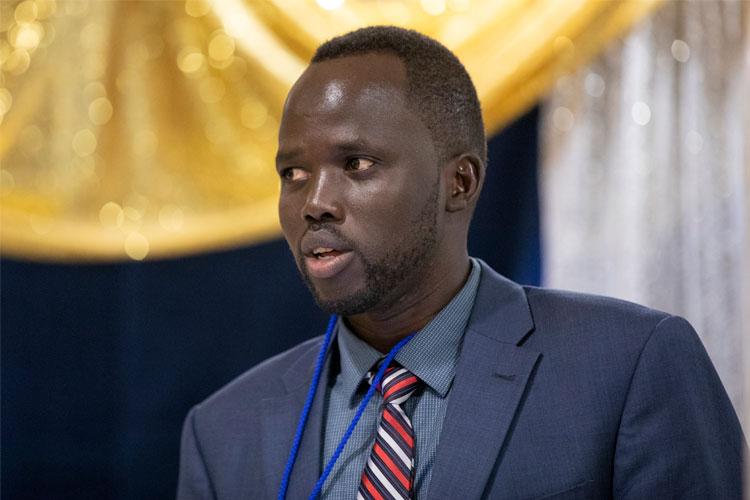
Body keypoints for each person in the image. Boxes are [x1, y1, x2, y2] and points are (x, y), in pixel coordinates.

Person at [177, 26, 744, 499]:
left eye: (357, 164)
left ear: (460, 182)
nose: (315, 202)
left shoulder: (630, 368)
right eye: (292, 175)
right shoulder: (224, 432)